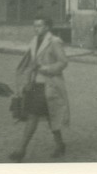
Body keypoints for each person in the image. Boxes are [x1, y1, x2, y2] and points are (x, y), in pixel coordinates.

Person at [9, 17, 70, 162]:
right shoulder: (34, 41)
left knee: (39, 116)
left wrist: (45, 68)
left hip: (49, 84)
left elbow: (63, 62)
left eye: (40, 26)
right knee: (43, 115)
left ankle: (22, 150)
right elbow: (30, 60)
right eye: (34, 25)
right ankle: (58, 144)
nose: (36, 28)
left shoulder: (54, 41)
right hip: (34, 84)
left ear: (47, 27)